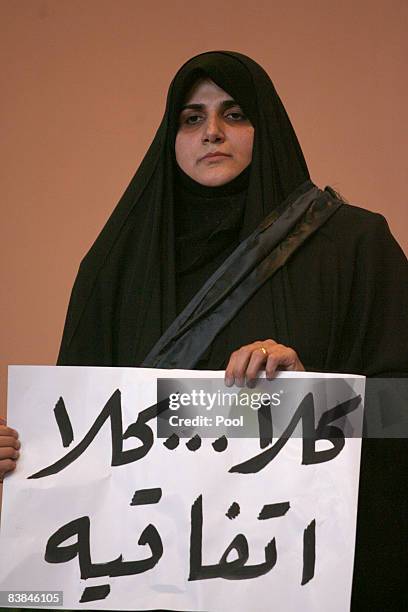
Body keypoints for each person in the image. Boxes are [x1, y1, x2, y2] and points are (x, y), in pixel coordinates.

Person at [1, 50, 407, 610]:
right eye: (192, 119)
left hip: (299, 576)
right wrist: (22, 457)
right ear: (171, 136)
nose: (211, 132)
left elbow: (403, 411)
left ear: (267, 129)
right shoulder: (114, 266)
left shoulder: (354, 246)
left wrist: (308, 394)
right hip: (146, 579)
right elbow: (82, 441)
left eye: (235, 114)